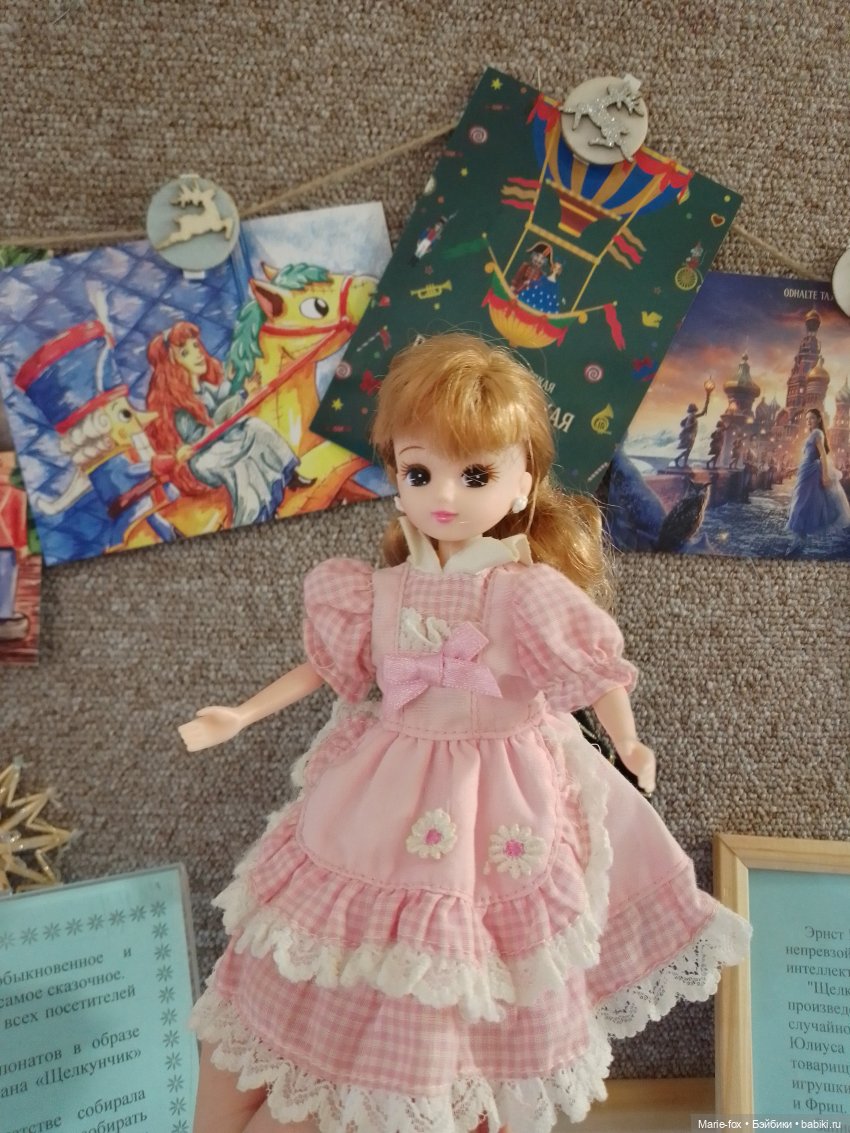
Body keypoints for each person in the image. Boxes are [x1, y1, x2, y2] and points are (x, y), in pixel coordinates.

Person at [179, 333, 750, 1133]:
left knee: (478, 954)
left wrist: (629, 743)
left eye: (474, 474)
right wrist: (239, 713)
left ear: (525, 481)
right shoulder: (374, 590)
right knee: (342, 931)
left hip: (498, 796)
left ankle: (444, 1082)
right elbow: (322, 669)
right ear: (396, 475)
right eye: (421, 473)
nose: (444, 495)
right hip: (384, 786)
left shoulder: (526, 594)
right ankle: (342, 1059)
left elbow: (595, 673)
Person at [146, 322, 313, 528]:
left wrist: (240, 389)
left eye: (196, 346)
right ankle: (257, 514)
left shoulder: (203, 387)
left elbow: (222, 398)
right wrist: (225, 417)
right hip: (204, 457)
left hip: (222, 440)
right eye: (185, 353)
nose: (197, 354)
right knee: (242, 464)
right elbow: (201, 435)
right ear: (173, 365)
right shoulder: (180, 407)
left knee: (254, 427)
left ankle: (288, 473)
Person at [785, 408, 850, 555]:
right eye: (807, 419)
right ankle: (799, 539)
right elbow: (808, 456)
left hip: (811, 474)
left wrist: (825, 475)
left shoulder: (817, 433)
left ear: (819, 419)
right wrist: (794, 468)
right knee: (801, 503)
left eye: (812, 418)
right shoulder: (811, 434)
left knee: (802, 504)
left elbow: (823, 455)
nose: (809, 421)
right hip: (805, 472)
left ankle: (798, 541)